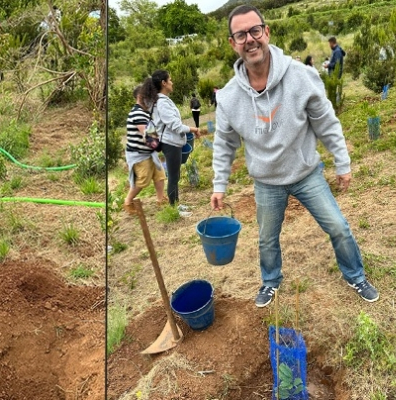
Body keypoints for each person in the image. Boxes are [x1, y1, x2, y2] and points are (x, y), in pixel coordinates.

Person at [211, 5, 379, 308]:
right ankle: (271, 281)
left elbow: (326, 122)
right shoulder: (228, 97)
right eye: (240, 34)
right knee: (266, 240)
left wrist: (342, 162)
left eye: (254, 31)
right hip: (266, 182)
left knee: (338, 227)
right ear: (232, 43)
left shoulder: (301, 76)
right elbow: (224, 143)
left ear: (266, 32)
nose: (249, 39)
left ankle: (355, 275)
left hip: (306, 174)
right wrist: (219, 184)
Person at [151, 69, 200, 217]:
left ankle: (176, 203)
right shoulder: (162, 103)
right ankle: (174, 209)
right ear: (163, 83)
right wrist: (193, 129)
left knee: (175, 175)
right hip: (170, 143)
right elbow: (175, 125)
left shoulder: (164, 100)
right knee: (173, 176)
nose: (172, 82)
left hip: (174, 142)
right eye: (170, 80)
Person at [122, 80, 168, 215]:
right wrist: (160, 146)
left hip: (148, 153)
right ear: (140, 97)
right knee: (142, 180)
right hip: (139, 155)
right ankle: (128, 202)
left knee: (159, 175)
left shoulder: (144, 112)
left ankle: (161, 200)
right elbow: (148, 136)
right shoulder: (137, 113)